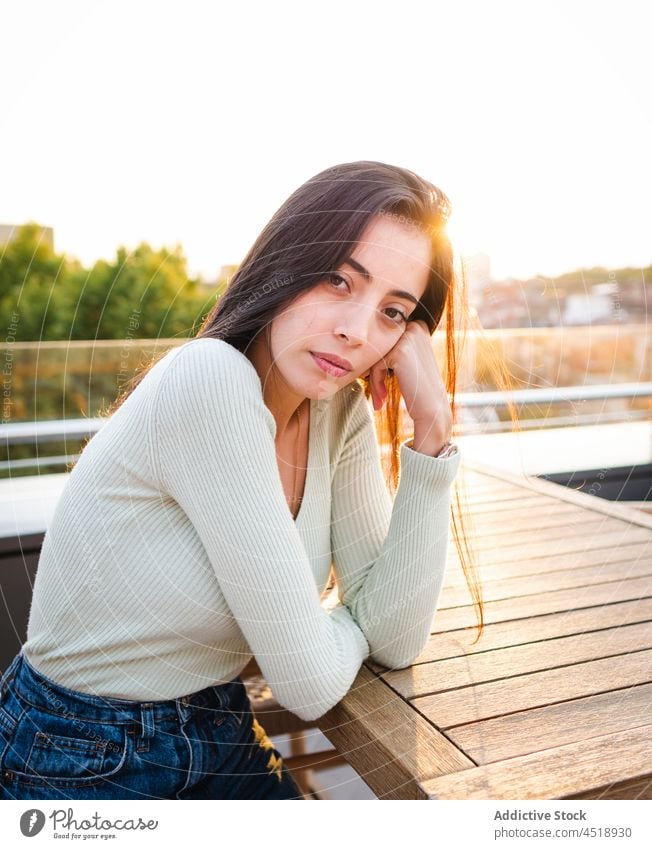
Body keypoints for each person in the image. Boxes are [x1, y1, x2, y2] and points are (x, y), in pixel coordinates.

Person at [0, 160, 483, 800]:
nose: (357, 330)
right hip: (78, 747)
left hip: (219, 718)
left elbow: (395, 641)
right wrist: (346, 623)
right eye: (340, 280)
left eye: (394, 312)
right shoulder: (211, 381)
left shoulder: (337, 411)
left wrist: (430, 429)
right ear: (286, 265)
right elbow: (308, 682)